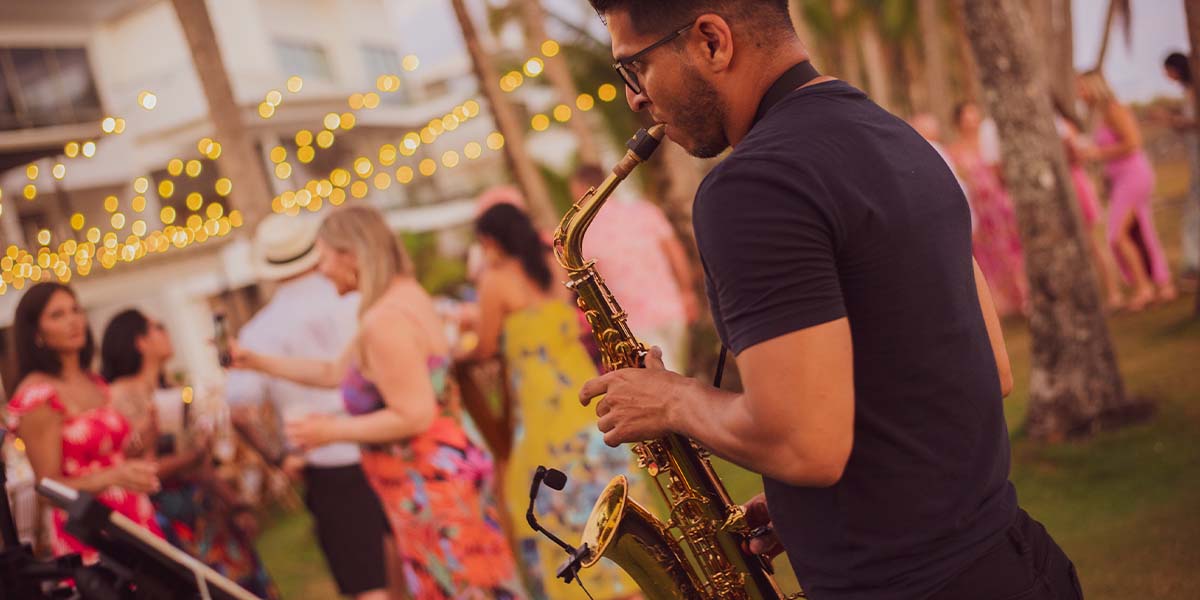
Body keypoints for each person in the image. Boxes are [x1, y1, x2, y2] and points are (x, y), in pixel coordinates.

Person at [579, 2, 1081, 600]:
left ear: (713, 40)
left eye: (634, 68)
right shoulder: (893, 133)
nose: (635, 98)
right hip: (1020, 561)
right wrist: (825, 507)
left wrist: (673, 400)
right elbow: (987, 371)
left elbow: (805, 443)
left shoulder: (751, 186)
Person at [230, 205, 526, 600]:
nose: (320, 270)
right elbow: (335, 371)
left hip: (428, 488)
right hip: (446, 471)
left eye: (324, 257)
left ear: (351, 254)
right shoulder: (402, 295)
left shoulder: (382, 320)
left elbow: (414, 413)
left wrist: (329, 431)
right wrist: (257, 361)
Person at [458, 203, 645, 600]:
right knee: (597, 476)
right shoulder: (551, 262)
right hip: (579, 384)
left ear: (490, 240)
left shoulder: (495, 280)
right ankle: (629, 576)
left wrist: (462, 349)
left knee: (553, 488)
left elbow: (486, 345)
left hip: (540, 399)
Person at [224, 213, 392, 600]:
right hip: (386, 438)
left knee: (366, 582)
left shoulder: (259, 330)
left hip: (327, 460)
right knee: (404, 563)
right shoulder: (357, 300)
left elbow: (239, 410)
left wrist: (280, 455)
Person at [100, 309, 279, 599]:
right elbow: (135, 468)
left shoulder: (171, 387)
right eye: (158, 326)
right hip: (165, 515)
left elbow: (200, 461)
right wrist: (191, 457)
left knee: (241, 586)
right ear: (139, 342)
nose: (166, 332)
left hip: (205, 507)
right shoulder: (122, 395)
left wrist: (235, 504)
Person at [4, 282, 164, 563]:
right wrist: (114, 477)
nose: (73, 321)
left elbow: (113, 458)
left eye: (75, 310)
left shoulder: (95, 382)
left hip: (134, 518)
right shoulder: (38, 395)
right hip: (92, 533)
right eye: (57, 315)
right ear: (36, 333)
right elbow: (48, 488)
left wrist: (140, 443)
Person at [571, 164, 700, 371]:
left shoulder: (584, 236)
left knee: (672, 386)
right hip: (672, 308)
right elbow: (675, 252)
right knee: (679, 375)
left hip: (634, 325)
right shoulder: (644, 210)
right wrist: (687, 293)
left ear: (581, 191)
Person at [1076, 70, 1177, 310]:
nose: (1079, 94)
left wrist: (1097, 154)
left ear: (1094, 88)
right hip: (1122, 178)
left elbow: (1133, 143)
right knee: (1141, 231)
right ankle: (1162, 286)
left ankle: (1144, 288)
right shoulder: (1101, 115)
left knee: (1116, 236)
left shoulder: (1114, 110)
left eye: (1082, 88)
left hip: (1134, 176)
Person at [949, 101, 1029, 316]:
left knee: (1013, 249)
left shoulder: (989, 141)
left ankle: (1025, 296)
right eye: (967, 117)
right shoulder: (955, 150)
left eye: (974, 116)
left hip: (1000, 204)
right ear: (959, 122)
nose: (972, 121)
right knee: (990, 255)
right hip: (980, 210)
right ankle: (1003, 302)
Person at [1053, 101, 1126, 311]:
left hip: (1074, 185)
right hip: (1060, 187)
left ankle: (1114, 292)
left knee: (1092, 243)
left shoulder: (1062, 125)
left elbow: (1078, 156)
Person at [1164, 51, 1200, 285]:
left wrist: (1175, 121)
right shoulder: (1189, 92)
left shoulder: (1195, 91)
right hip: (1194, 156)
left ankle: (1192, 264)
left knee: (1193, 212)